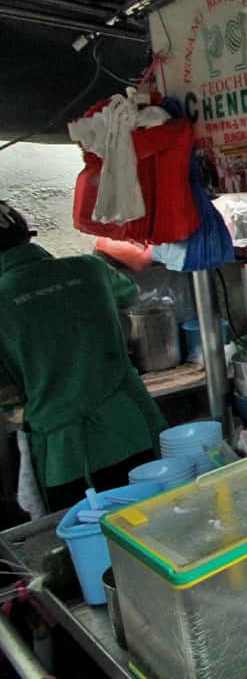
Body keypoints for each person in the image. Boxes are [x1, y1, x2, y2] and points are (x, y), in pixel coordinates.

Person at [0, 201, 166, 513]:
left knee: (90, 547)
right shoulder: (89, 268)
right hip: (130, 428)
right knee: (155, 529)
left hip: (67, 456)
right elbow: (128, 293)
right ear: (26, 236)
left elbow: (5, 386)